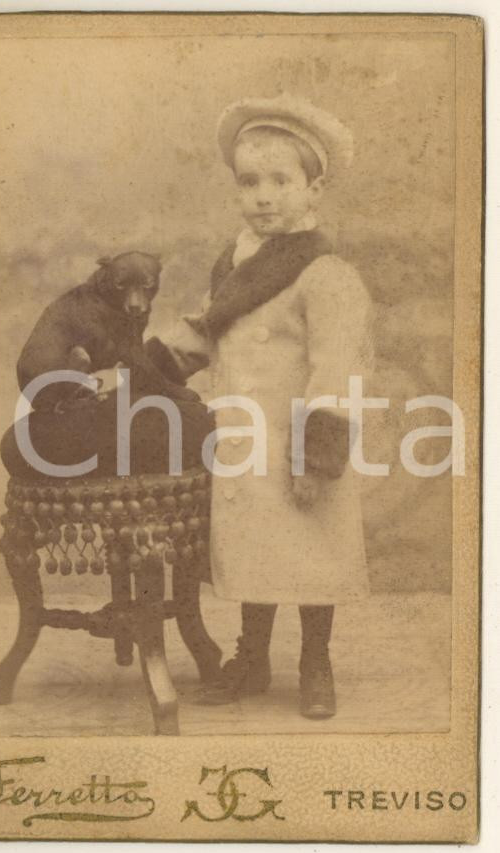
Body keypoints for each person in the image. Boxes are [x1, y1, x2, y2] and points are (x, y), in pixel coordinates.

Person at [146, 93, 373, 719]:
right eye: (250, 183)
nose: (264, 197)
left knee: (310, 551)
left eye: (281, 181)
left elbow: (336, 368)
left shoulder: (325, 274)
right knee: (255, 551)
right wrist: (140, 368)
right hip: (244, 435)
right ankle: (252, 655)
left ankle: (315, 660)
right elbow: (207, 330)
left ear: (314, 188)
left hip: (298, 439)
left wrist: (316, 456)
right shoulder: (237, 261)